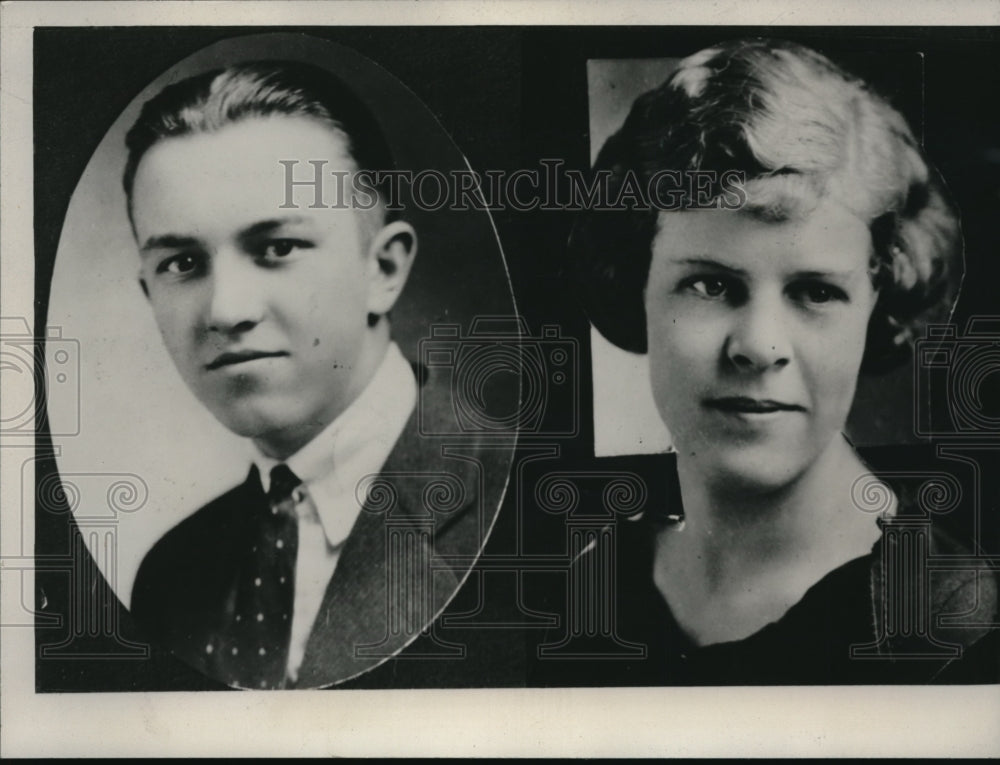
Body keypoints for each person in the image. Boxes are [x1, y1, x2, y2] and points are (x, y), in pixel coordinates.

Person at [550, 38, 998, 684]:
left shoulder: (954, 625)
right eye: (709, 284)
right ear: (633, 284)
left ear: (878, 304)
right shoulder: (590, 586)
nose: (759, 346)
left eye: (816, 291)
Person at [125, 61, 507, 689]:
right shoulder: (170, 575)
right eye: (183, 262)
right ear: (148, 293)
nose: (226, 310)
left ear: (382, 268)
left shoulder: (525, 509)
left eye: (276, 248)